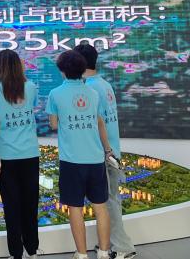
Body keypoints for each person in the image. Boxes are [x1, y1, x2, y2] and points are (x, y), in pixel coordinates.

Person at [46, 50, 114, 259]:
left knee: (75, 208)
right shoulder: (93, 93)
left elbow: (53, 124)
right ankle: (104, 252)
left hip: (71, 160)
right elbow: (99, 122)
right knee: (101, 207)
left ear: (62, 71)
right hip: (95, 158)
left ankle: (82, 254)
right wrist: (108, 149)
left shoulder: (55, 94)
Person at [75, 43, 137, 259]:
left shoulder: (90, 89)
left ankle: (123, 247)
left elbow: (96, 125)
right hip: (111, 151)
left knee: (109, 203)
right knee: (110, 201)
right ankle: (109, 244)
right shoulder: (104, 84)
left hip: (102, 153)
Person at [0, 50, 40, 259]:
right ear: (19, 65)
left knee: (12, 206)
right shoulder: (31, 87)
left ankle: (16, 253)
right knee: (30, 204)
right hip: (30, 154)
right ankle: (32, 250)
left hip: (6, 156)